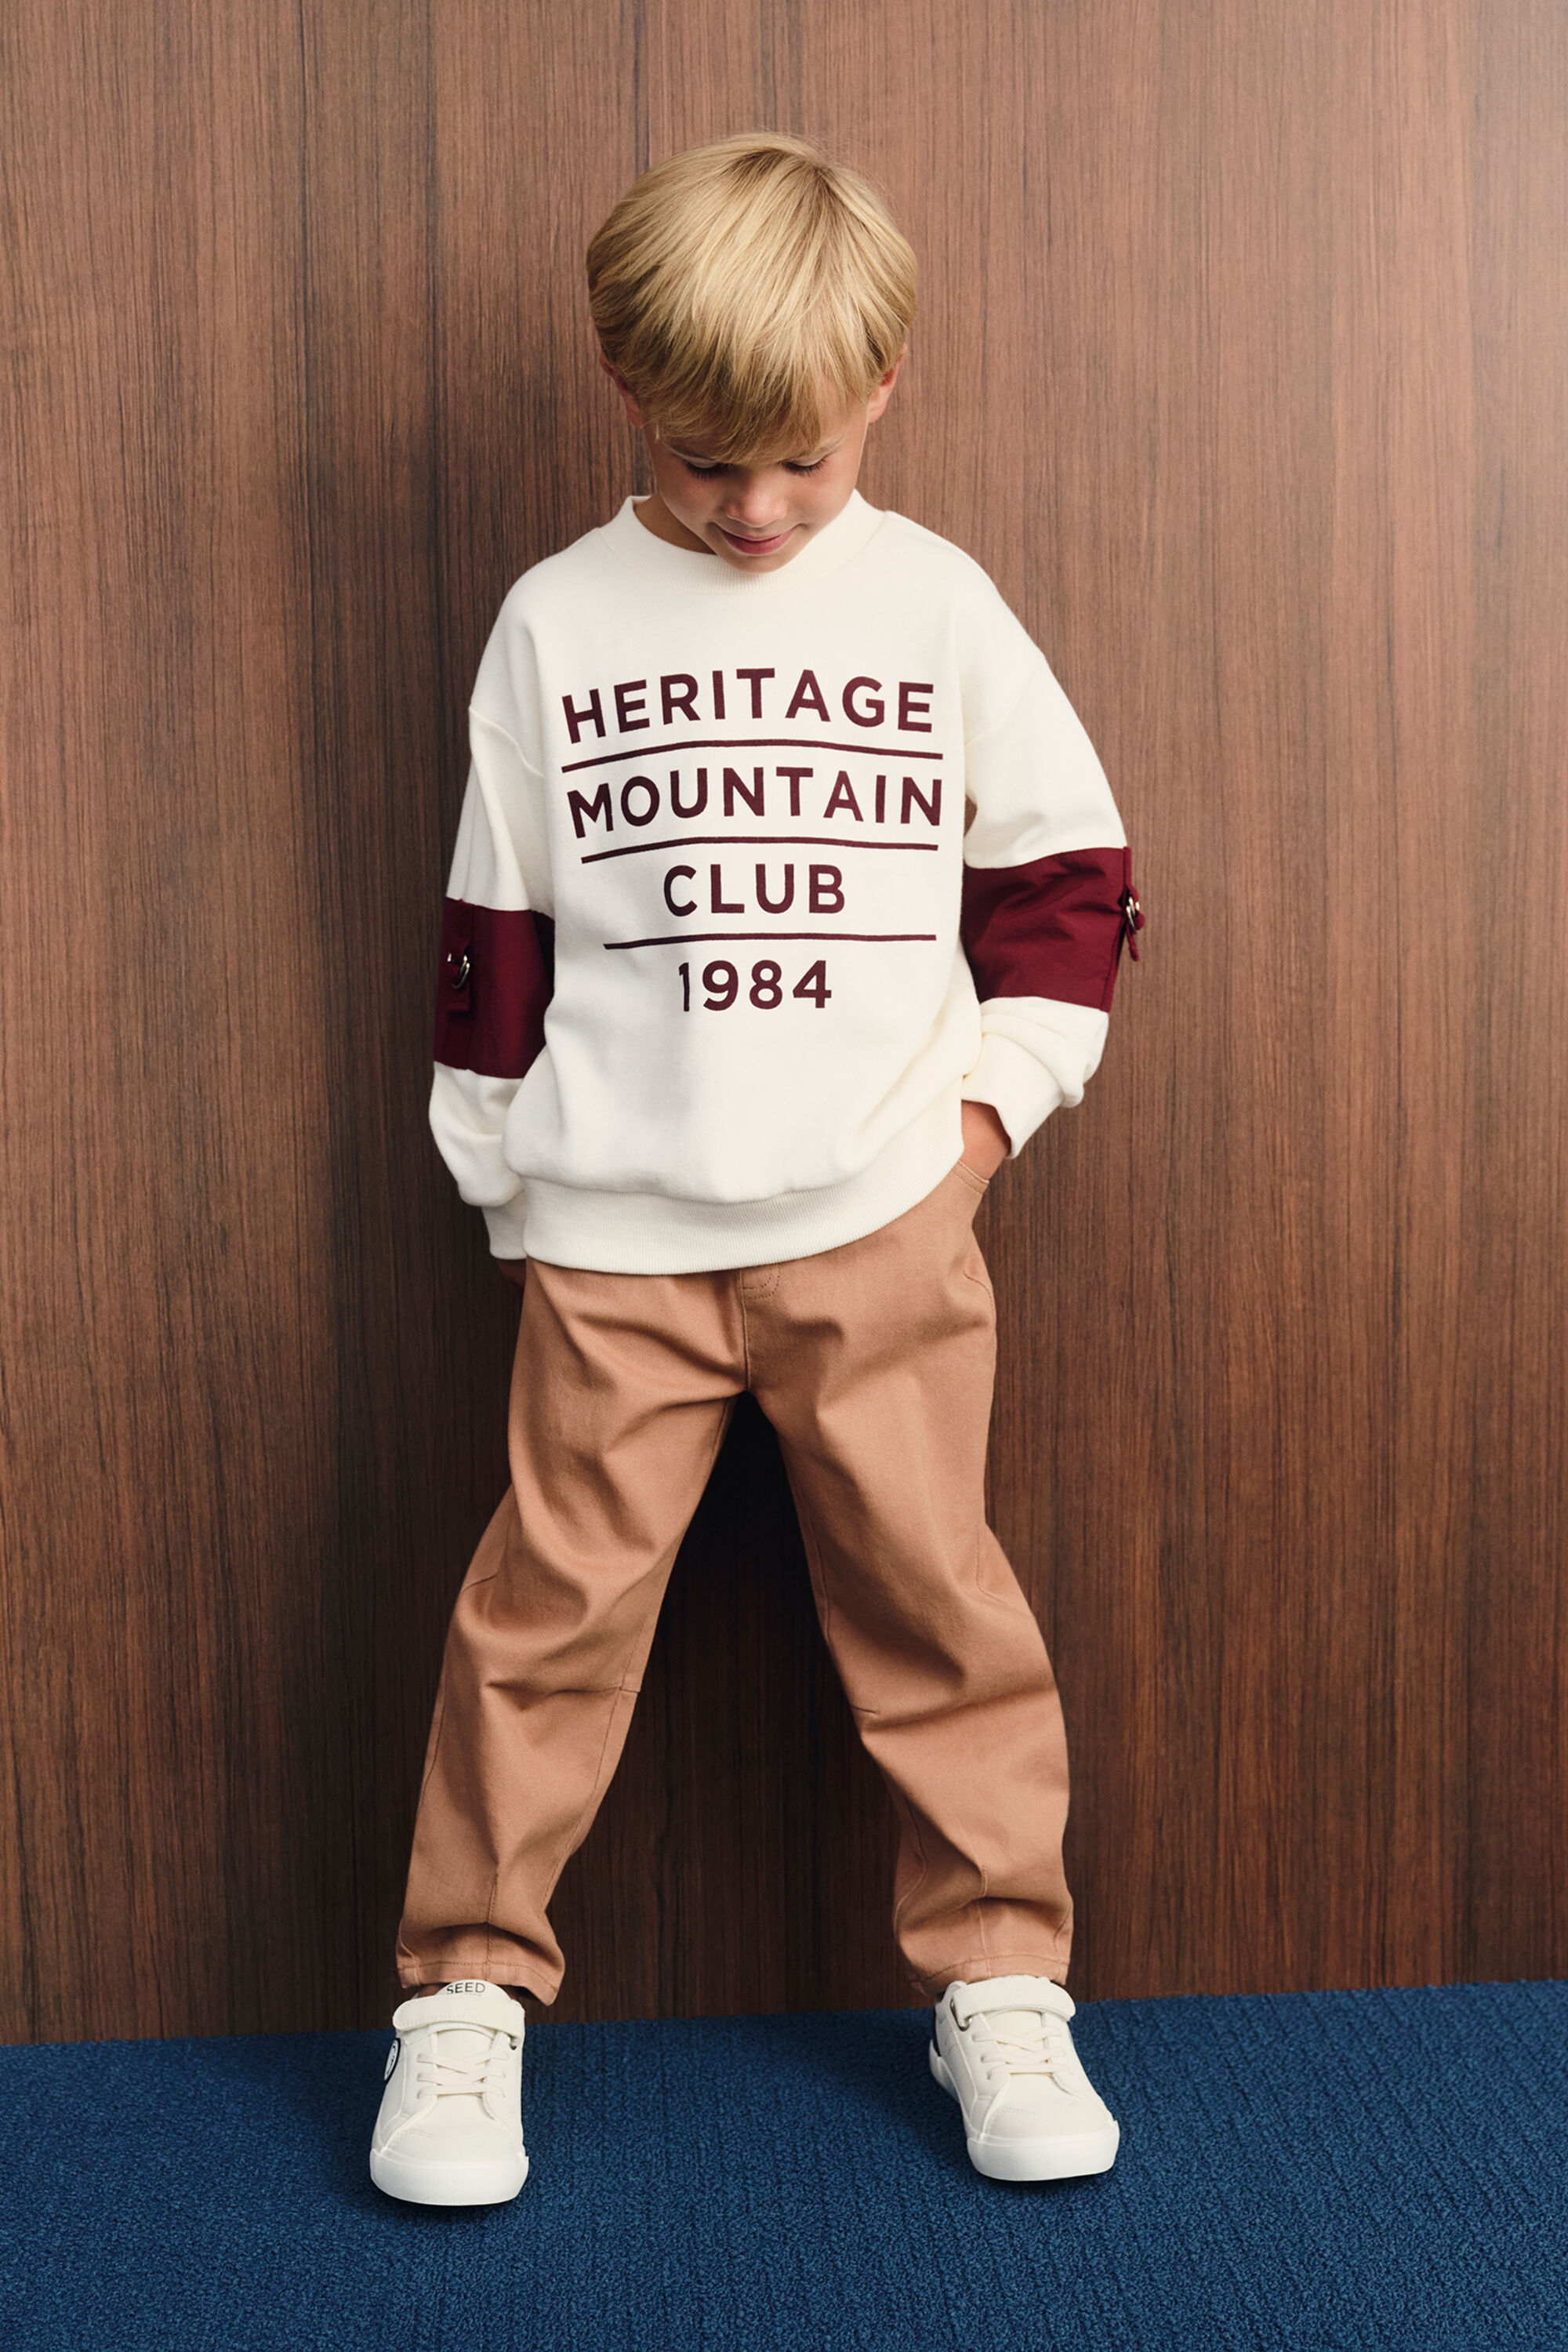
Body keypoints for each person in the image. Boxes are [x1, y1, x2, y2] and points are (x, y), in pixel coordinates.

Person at [369, 132, 1142, 2208]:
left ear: (884, 384)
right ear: (629, 389)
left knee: (935, 1601)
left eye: (802, 456)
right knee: (540, 1621)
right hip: (611, 1242)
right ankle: (461, 2000)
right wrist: (507, 1183)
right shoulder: (557, 620)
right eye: (709, 459)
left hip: (883, 1220)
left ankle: (1002, 1980)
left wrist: (982, 1125)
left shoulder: (937, 603)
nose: (758, 506)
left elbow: (1068, 878)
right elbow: (494, 926)